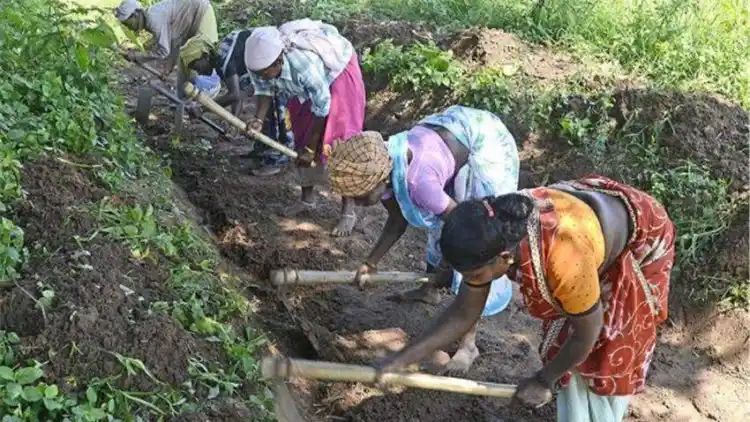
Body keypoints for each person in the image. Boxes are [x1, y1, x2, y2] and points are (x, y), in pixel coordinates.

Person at [375, 175, 675, 422]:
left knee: (609, 348)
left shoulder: (563, 259)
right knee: (567, 336)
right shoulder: (494, 230)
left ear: (504, 258)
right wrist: (401, 359)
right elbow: (462, 314)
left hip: (641, 240)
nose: (471, 283)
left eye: (475, 275)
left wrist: (544, 380)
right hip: (586, 228)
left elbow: (587, 332)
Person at [327, 105, 520, 371]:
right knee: (440, 227)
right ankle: (428, 290)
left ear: (379, 179)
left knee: (474, 249)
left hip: (486, 142)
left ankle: (469, 343)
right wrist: (370, 263)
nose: (358, 204)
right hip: (451, 133)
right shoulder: (384, 162)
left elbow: (466, 230)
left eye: (360, 195)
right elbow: (397, 219)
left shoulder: (420, 184)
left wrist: (447, 266)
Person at [243, 20, 366, 236]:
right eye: (258, 73)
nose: (261, 76)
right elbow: (263, 90)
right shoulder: (258, 63)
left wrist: (312, 148)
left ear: (278, 61)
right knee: (300, 133)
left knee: (339, 141)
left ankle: (348, 211)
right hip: (306, 85)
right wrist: (258, 120)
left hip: (338, 73)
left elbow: (323, 106)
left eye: (265, 72)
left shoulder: (304, 65)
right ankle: (307, 199)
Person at [185, 28, 293, 174]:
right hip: (263, 70)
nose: (197, 71)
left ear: (205, 56)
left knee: (276, 112)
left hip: (275, 65)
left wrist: (202, 108)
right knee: (264, 111)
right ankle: (261, 150)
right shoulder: (221, 56)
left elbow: (234, 95)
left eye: (195, 65)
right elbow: (237, 93)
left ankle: (276, 160)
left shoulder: (225, 61)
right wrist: (233, 122)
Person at [115, 0, 218, 97]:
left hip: (202, 14)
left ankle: (211, 87)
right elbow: (175, 42)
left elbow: (164, 51)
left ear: (136, 14)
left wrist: (138, 56)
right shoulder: (152, 17)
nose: (128, 27)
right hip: (193, 19)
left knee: (197, 56)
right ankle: (182, 101)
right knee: (185, 63)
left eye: (127, 23)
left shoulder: (153, 19)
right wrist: (168, 68)